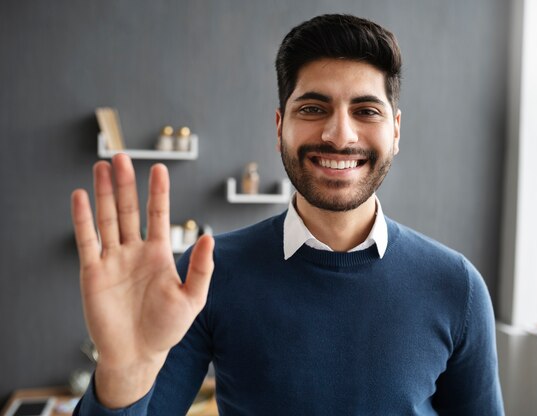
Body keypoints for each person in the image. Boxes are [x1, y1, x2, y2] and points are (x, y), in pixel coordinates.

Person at [71, 14, 504, 415]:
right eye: (313, 109)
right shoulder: (211, 273)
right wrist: (122, 372)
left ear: (395, 131)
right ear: (280, 128)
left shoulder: (456, 286)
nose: (339, 134)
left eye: (366, 111)